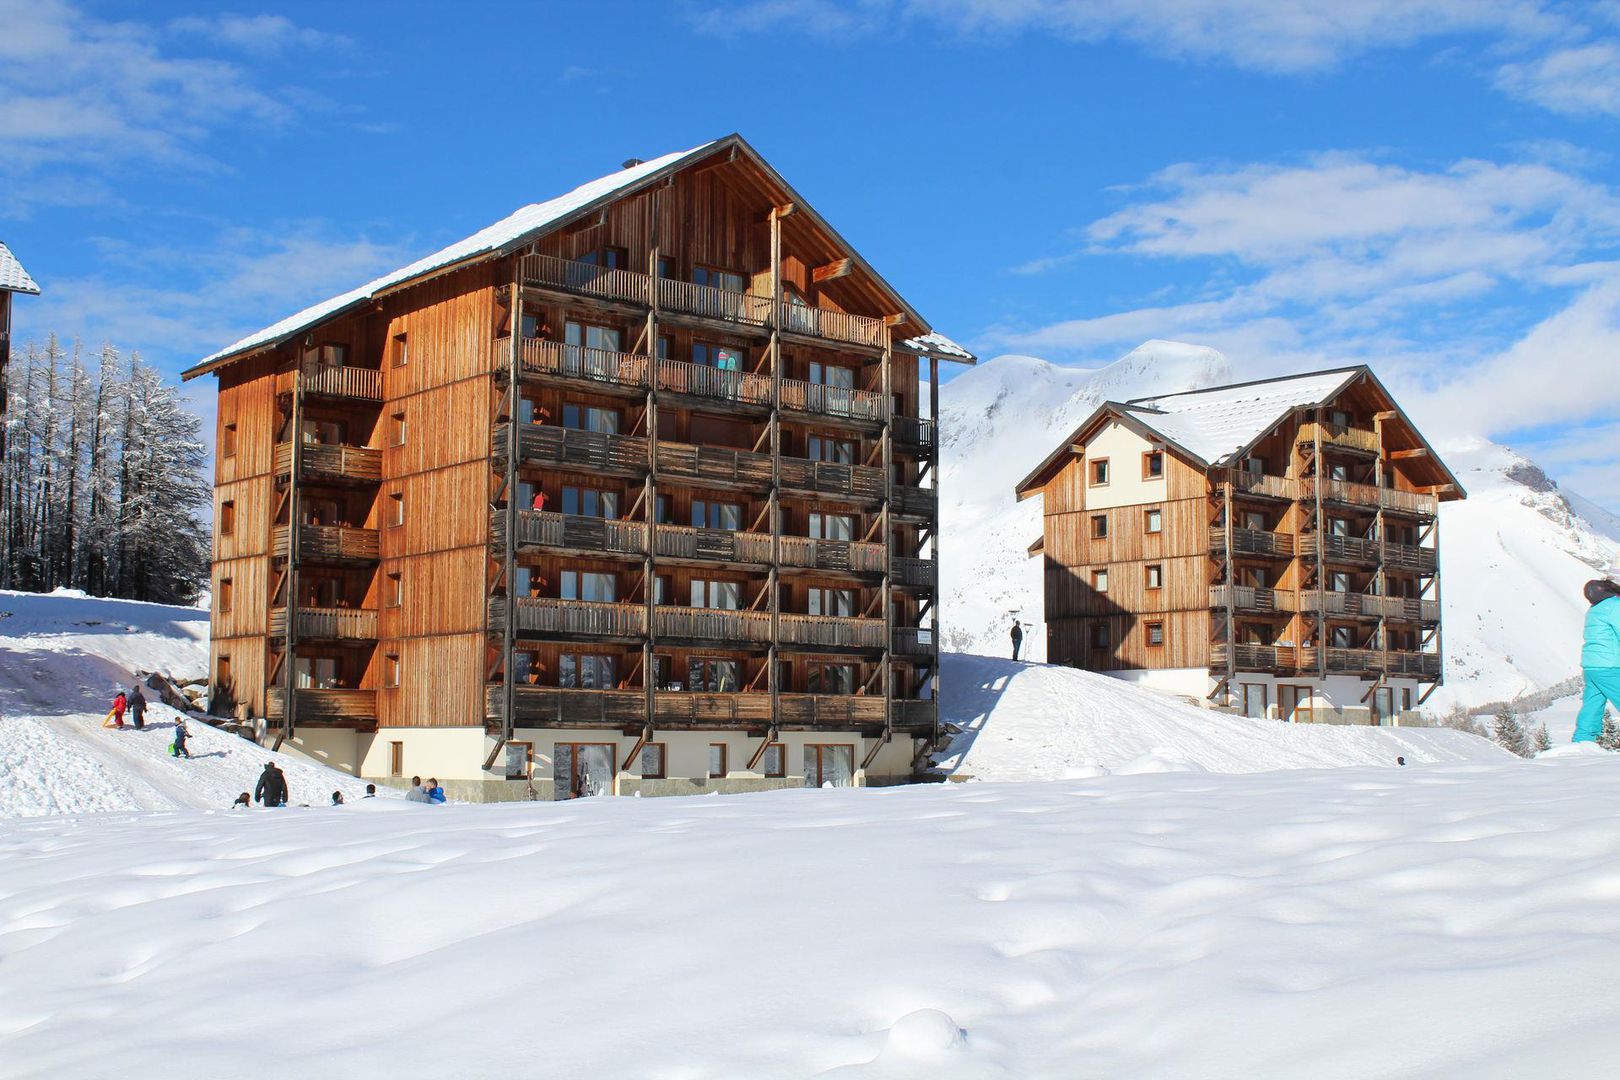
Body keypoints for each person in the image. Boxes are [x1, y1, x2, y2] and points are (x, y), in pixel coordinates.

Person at [1574, 578, 1620, 743]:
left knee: (1592, 707)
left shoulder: (1594, 609)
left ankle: (1582, 742)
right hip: (1610, 667)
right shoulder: (1614, 605)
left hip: (1591, 668)